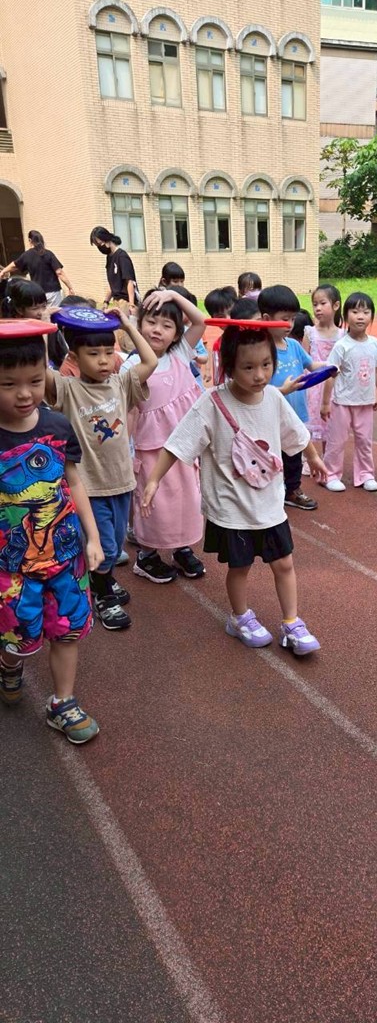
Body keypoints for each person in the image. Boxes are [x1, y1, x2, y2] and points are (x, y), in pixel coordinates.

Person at [141, 322, 327, 655]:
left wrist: (313, 458)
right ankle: (239, 617)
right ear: (229, 366)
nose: (260, 375)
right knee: (239, 567)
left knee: (284, 563)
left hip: (270, 505)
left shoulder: (273, 397)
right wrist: (153, 479)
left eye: (266, 365)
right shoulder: (212, 402)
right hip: (232, 509)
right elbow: (178, 443)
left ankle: (292, 622)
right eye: (248, 367)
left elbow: (295, 433)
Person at [0, 319, 102, 743]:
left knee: (68, 629)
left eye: (35, 380)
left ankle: (63, 702)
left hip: (65, 557)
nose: (25, 393)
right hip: (11, 569)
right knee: (19, 638)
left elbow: (73, 481)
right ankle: (10, 664)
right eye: (8, 384)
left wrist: (93, 538)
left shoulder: (57, 427)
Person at [44, 310, 157, 630]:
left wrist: (128, 326)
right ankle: (103, 594)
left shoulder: (121, 383)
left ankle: (99, 578)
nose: (104, 360)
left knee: (116, 543)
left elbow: (150, 362)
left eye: (109, 352)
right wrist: (46, 329)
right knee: (105, 545)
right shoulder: (68, 389)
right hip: (89, 485)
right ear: (74, 357)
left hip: (121, 481)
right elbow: (40, 371)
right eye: (93, 354)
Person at [126, 288, 206, 583]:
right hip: (151, 449)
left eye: (166, 325)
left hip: (184, 448)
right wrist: (127, 452)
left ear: (176, 334)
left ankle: (181, 548)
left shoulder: (180, 353)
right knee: (154, 505)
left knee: (186, 500)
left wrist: (172, 294)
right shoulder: (132, 366)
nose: (157, 330)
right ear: (139, 325)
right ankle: (147, 556)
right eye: (151, 322)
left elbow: (200, 321)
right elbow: (129, 412)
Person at [259, 285, 323, 512]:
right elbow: (258, 387)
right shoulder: (261, 349)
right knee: (271, 457)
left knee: (294, 453)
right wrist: (282, 391)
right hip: (269, 416)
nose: (290, 324)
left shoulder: (294, 345)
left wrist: (329, 367)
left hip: (295, 414)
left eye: (293, 319)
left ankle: (293, 490)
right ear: (267, 319)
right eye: (284, 319)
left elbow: (312, 365)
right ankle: (268, 493)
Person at [321, 292, 377, 493]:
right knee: (337, 441)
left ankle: (366, 474)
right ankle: (330, 475)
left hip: (365, 402)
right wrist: (325, 403)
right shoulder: (342, 346)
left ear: (371, 316)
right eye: (355, 312)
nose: (360, 316)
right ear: (345, 315)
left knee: (365, 440)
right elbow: (330, 374)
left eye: (366, 312)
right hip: (342, 402)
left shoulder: (374, 344)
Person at [303, 284, 344, 457]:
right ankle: (308, 459)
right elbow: (304, 360)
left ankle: (328, 459)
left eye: (322, 303)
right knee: (309, 425)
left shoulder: (342, 335)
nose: (318, 308)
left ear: (336, 305)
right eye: (315, 304)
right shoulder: (310, 332)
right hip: (313, 386)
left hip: (334, 387)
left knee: (330, 426)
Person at [89, 227, 139, 353]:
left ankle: (134, 360)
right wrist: (106, 301)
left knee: (129, 338)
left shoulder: (122, 256)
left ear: (107, 240)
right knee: (120, 337)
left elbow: (129, 281)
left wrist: (131, 304)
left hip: (126, 301)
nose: (100, 247)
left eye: (100, 244)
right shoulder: (110, 258)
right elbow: (112, 284)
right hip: (117, 301)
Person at [1, 279, 68, 370]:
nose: (41, 312)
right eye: (35, 308)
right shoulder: (12, 334)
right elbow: (42, 366)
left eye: (44, 306)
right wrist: (44, 328)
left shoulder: (52, 330)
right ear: (19, 310)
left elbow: (64, 358)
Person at [0, 230, 74, 307]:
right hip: (53, 292)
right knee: (54, 313)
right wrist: (70, 287)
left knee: (40, 313)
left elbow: (14, 265)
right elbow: (59, 272)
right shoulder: (48, 254)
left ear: (30, 240)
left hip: (38, 293)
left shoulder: (27, 255)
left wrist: (3, 271)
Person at [206, 287, 237, 386]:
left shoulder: (252, 337)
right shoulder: (218, 345)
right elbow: (218, 377)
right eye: (221, 316)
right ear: (213, 320)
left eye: (231, 313)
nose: (228, 319)